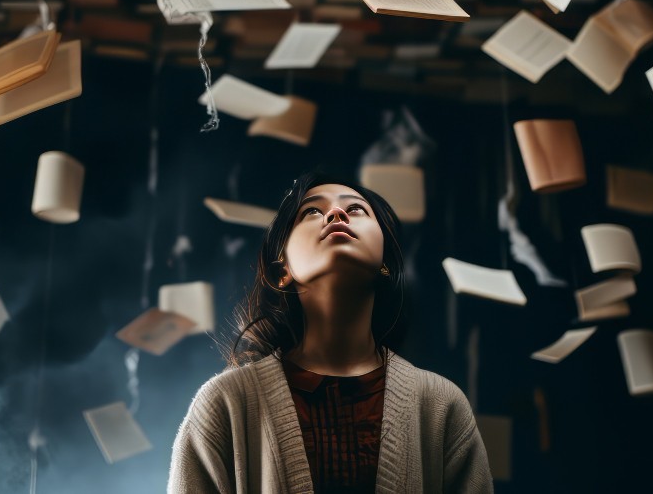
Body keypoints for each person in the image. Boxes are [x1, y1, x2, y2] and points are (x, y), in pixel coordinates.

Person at [169, 171, 493, 493]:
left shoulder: (440, 405)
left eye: (356, 210)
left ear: (386, 265)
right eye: (311, 211)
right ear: (282, 270)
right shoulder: (225, 403)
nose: (336, 213)